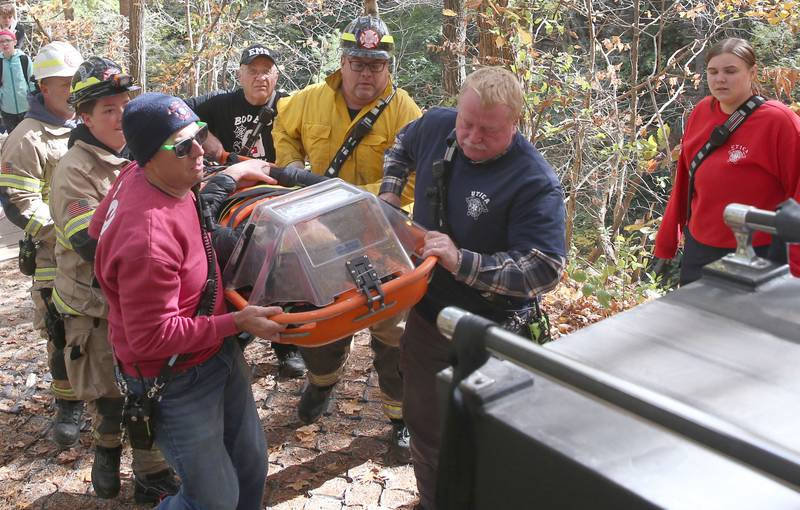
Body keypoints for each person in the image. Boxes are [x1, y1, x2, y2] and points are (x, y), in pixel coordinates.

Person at [378, 66, 567, 509]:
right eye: (466, 123)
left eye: (488, 130)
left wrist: (464, 261)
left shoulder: (534, 182)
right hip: (428, 318)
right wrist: (390, 194)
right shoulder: (439, 124)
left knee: (495, 436)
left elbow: (544, 269)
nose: (471, 137)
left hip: (496, 332)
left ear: (515, 124)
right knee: (427, 428)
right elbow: (402, 144)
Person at [89, 92, 285, 510]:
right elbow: (150, 339)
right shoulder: (146, 238)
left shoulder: (145, 176)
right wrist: (239, 322)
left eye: (199, 133)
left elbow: (94, 230)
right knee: (213, 500)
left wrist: (233, 175)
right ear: (149, 156)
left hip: (216, 353)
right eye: (183, 145)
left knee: (250, 467)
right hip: (176, 378)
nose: (200, 149)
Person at [272, 0, 421, 460]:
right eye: (358, 63)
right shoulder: (309, 100)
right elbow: (283, 131)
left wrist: (357, 200)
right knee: (326, 317)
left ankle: (400, 419)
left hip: (383, 236)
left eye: (377, 65)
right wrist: (292, 169)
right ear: (342, 62)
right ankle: (320, 385)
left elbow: (415, 178)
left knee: (393, 330)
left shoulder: (405, 112)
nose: (367, 74)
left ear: (387, 67)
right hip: (319, 236)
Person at [49, 56, 179, 503]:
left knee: (144, 390)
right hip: (95, 308)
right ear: (84, 117)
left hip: (136, 305)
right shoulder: (75, 170)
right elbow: (89, 243)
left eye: (124, 104)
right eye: (108, 109)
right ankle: (105, 454)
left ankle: (150, 471)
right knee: (107, 394)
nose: (121, 115)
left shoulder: (137, 154)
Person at [185, 43, 304, 378]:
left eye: (266, 70)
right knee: (231, 270)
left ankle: (286, 344)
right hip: (229, 202)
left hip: (277, 199)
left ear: (277, 75)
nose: (260, 77)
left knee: (284, 267)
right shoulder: (221, 103)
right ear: (240, 75)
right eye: (252, 71)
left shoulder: (289, 106)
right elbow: (173, 110)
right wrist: (203, 136)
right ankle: (233, 336)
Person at [654, 38, 800, 284]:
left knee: (742, 323)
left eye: (730, 71)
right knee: (692, 320)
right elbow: (686, 181)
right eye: (713, 71)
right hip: (700, 248)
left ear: (752, 72)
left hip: (759, 255)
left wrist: (796, 264)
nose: (720, 79)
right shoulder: (701, 112)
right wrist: (667, 240)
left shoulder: (779, 122)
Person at [0, 40, 83, 448]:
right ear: (43, 86)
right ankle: (68, 407)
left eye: (74, 81)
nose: (70, 89)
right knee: (60, 330)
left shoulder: (90, 125)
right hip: (55, 256)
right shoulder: (27, 136)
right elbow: (18, 201)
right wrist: (64, 232)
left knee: (99, 330)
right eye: (62, 82)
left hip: (98, 253)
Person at [0, 28, 33, 132]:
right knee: (13, 140)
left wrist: (34, 103)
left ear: (14, 42)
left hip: (27, 108)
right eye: (1, 41)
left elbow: (32, 81)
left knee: (29, 138)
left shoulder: (24, 59)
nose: (4, 44)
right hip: (7, 110)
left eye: (7, 40)